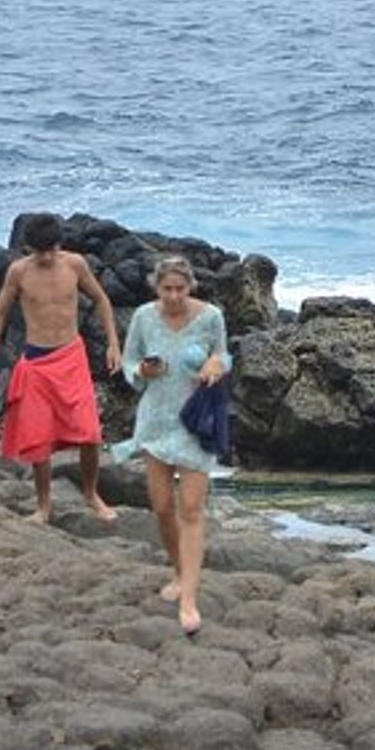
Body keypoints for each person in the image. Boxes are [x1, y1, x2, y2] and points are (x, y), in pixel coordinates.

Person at [0, 213, 123, 524]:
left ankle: (91, 493)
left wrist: (113, 343)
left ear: (59, 244)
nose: (45, 256)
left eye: (50, 249)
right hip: (36, 362)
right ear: (28, 247)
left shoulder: (75, 265)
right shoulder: (18, 272)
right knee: (38, 436)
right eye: (38, 251)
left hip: (71, 357)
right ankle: (43, 506)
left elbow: (101, 299)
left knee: (89, 433)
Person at [113, 254, 230, 637]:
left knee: (192, 510)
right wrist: (141, 371)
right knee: (163, 508)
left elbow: (223, 354)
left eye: (181, 289)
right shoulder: (144, 317)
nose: (175, 296)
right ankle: (180, 572)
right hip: (156, 421)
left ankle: (189, 600)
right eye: (168, 289)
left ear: (190, 286)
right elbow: (130, 365)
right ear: (156, 288)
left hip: (196, 423)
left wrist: (216, 364)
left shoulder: (211, 316)